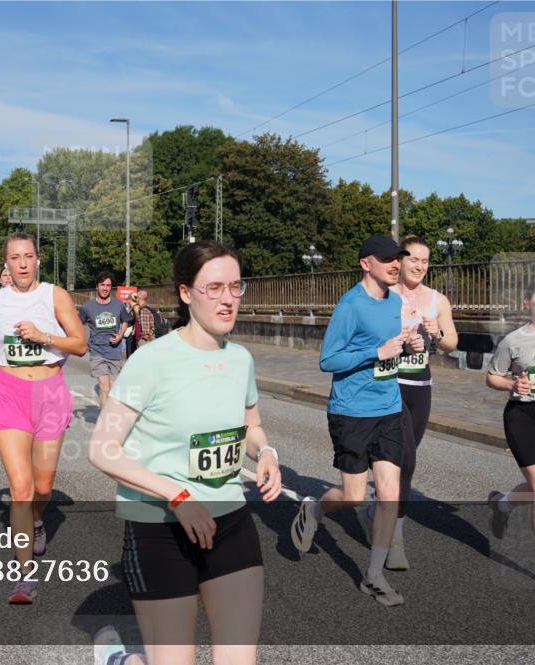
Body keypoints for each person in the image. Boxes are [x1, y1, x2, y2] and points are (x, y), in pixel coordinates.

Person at [88, 240, 281, 665]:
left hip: (228, 520)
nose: (228, 299)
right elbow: (102, 450)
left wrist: (265, 451)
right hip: (160, 526)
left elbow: (251, 425)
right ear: (185, 293)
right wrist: (178, 496)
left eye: (234, 286)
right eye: (214, 288)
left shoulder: (241, 360)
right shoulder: (152, 361)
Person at [290, 236, 413, 607]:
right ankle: (314, 508)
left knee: (390, 491)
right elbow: (328, 360)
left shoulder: (396, 302)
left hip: (389, 408)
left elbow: (396, 347)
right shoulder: (350, 305)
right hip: (351, 411)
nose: (396, 264)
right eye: (388, 259)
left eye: (398, 258)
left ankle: (373, 576)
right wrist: (376, 352)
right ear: (366, 264)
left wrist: (411, 345)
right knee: (355, 495)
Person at [0, 232, 87, 603]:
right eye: (15, 257)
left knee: (43, 488)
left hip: (50, 393)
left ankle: (38, 520)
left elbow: (80, 344)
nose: (22, 263)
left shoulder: (54, 296)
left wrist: (43, 336)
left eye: (29, 256)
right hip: (8, 393)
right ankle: (24, 577)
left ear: (38, 260)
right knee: (20, 489)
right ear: (5, 263)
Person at [374, 236, 457, 570]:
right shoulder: (383, 295)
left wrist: (436, 333)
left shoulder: (437, 300)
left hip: (419, 386)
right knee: (405, 460)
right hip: (388, 384)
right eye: (414, 260)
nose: (420, 266)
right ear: (400, 260)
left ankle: (380, 507)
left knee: (405, 457)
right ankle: (395, 538)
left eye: (425, 261)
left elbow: (452, 342)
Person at [486, 278, 535, 592]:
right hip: (526, 419)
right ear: (529, 302)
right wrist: (512, 385)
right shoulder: (514, 341)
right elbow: (492, 377)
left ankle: (502, 505)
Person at [79, 272, 133, 408]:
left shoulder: (118, 305)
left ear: (111, 287)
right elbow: (77, 324)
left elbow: (126, 320)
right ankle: (105, 419)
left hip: (115, 352)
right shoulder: (87, 307)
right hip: (97, 351)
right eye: (102, 285)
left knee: (113, 390)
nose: (105, 288)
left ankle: (111, 413)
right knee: (104, 389)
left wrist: (120, 335)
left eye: (108, 285)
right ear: (97, 287)